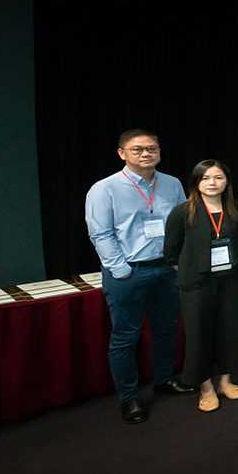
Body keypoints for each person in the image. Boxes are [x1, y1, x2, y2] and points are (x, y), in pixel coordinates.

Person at [85, 129, 195, 423]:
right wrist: (121, 270)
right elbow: (101, 234)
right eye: (138, 150)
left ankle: (163, 381)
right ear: (122, 153)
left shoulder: (171, 183)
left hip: (165, 270)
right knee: (125, 337)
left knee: (166, 330)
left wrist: (177, 262)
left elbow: (181, 224)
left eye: (152, 148)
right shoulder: (104, 189)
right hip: (128, 274)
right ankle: (130, 398)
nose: (146, 154)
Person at [164, 160, 238, 412]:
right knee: (199, 335)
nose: (212, 183)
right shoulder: (182, 212)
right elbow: (171, 252)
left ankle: (225, 381)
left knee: (231, 331)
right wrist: (192, 269)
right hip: (197, 284)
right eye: (205, 178)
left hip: (231, 281)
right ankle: (206, 387)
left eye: (218, 177)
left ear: (227, 181)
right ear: (195, 182)